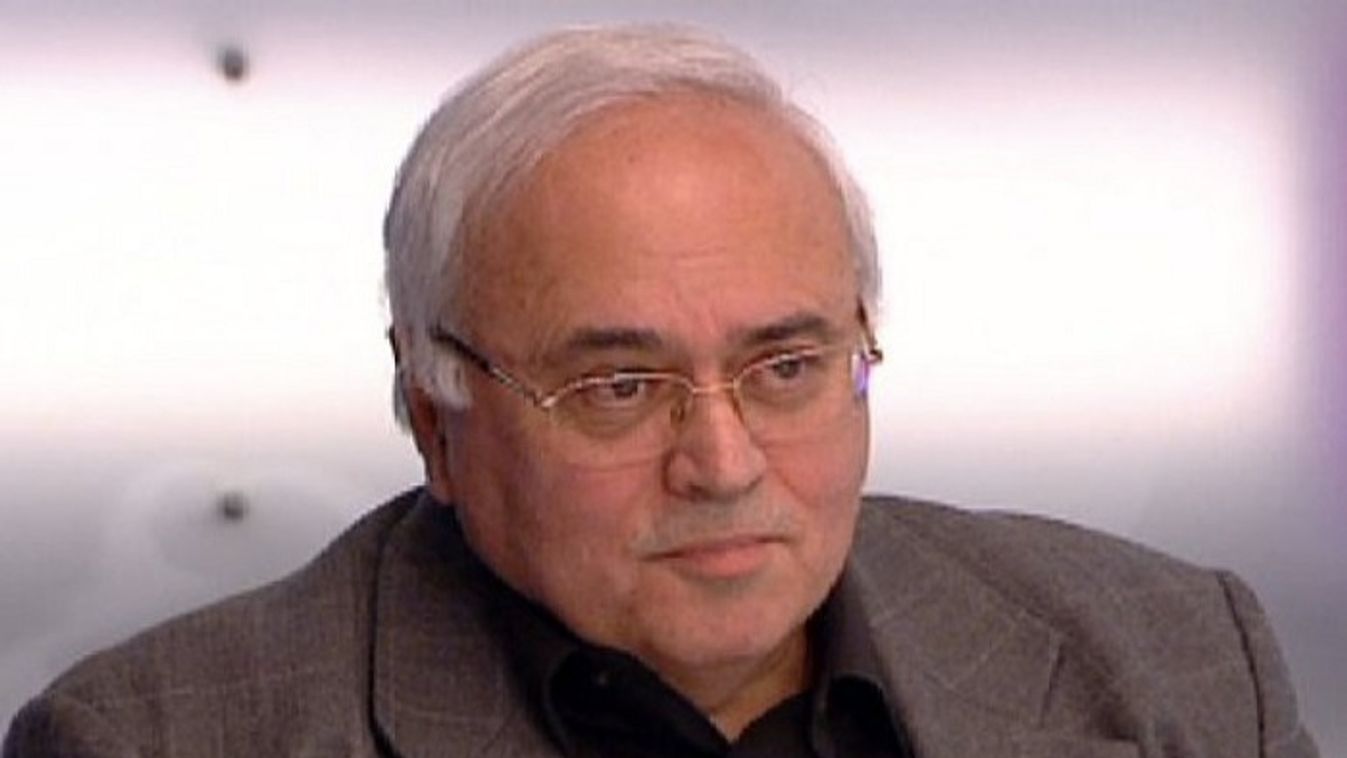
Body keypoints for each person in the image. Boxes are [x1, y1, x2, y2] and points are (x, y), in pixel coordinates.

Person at [4, 23, 1318, 758]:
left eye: (786, 368)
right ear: (435, 419)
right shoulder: (157, 736)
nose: (724, 461)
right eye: (621, 387)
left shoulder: (1180, 665)